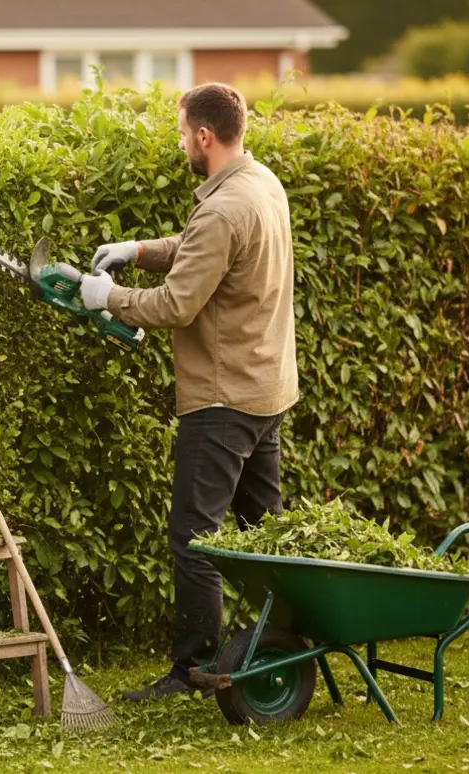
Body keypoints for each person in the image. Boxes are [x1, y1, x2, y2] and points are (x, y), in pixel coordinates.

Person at [77, 82, 299, 701]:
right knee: (264, 533)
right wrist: (141, 250)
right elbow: (202, 250)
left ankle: (193, 671)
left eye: (181, 133)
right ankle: (281, 642)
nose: (181, 143)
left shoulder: (226, 205)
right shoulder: (260, 184)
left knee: (196, 539)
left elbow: (178, 303)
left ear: (204, 135)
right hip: (267, 387)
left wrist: (107, 297)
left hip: (224, 397)